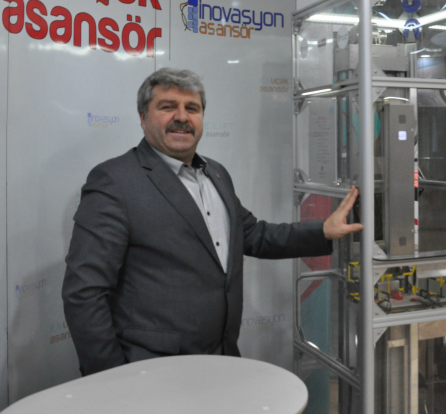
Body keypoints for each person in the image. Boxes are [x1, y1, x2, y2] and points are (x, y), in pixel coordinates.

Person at [62, 68, 363, 376]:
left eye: (192, 108)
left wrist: (323, 230)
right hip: (150, 371)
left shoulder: (216, 174)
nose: (182, 117)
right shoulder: (115, 181)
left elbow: (253, 234)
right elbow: (84, 292)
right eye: (167, 107)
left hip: (221, 359)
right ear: (143, 117)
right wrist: (111, 378)